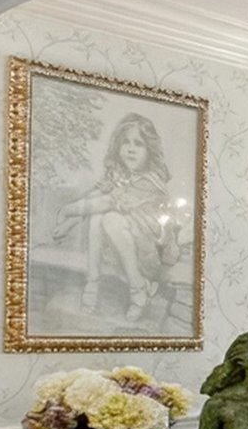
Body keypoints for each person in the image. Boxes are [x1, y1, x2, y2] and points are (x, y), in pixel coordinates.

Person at [49, 111, 182, 326]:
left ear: (150, 150)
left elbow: (108, 202)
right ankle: (92, 284)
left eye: (138, 144)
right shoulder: (120, 176)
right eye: (125, 143)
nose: (130, 149)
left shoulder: (150, 182)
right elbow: (95, 199)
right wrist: (68, 224)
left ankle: (139, 288)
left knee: (109, 217)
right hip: (122, 249)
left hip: (150, 256)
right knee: (99, 217)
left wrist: (67, 211)